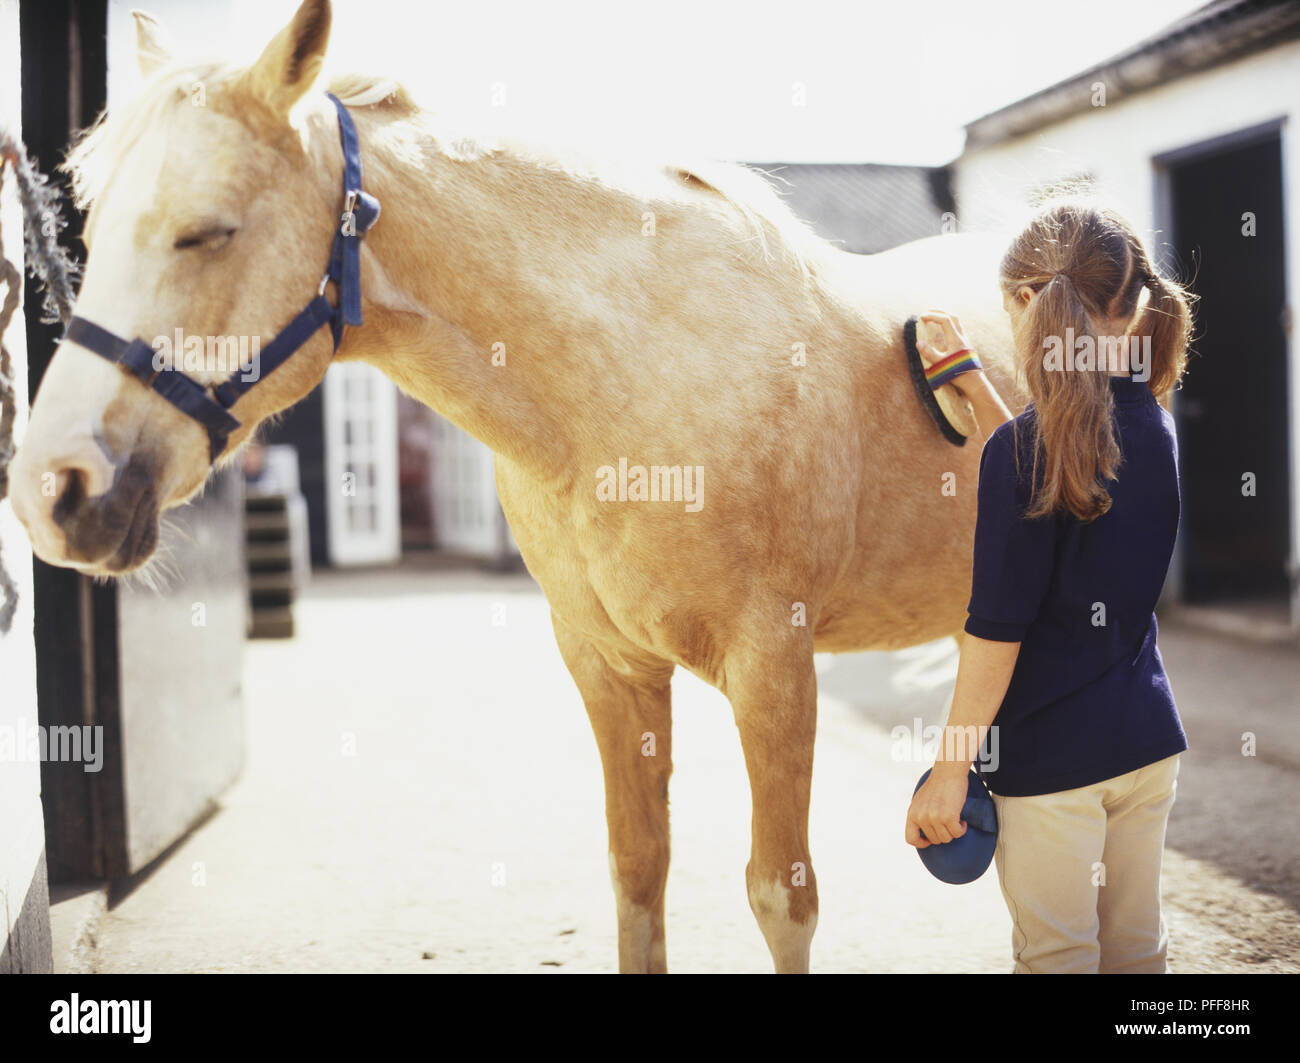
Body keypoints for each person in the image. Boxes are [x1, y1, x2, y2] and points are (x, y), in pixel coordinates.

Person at [904, 201, 1195, 974]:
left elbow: (995, 635)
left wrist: (950, 768)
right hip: (1145, 746)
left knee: (1057, 960)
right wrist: (976, 389)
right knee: (1138, 952)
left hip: (1051, 769)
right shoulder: (1155, 422)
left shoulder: (1025, 452)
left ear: (1031, 305)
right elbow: (1063, 470)